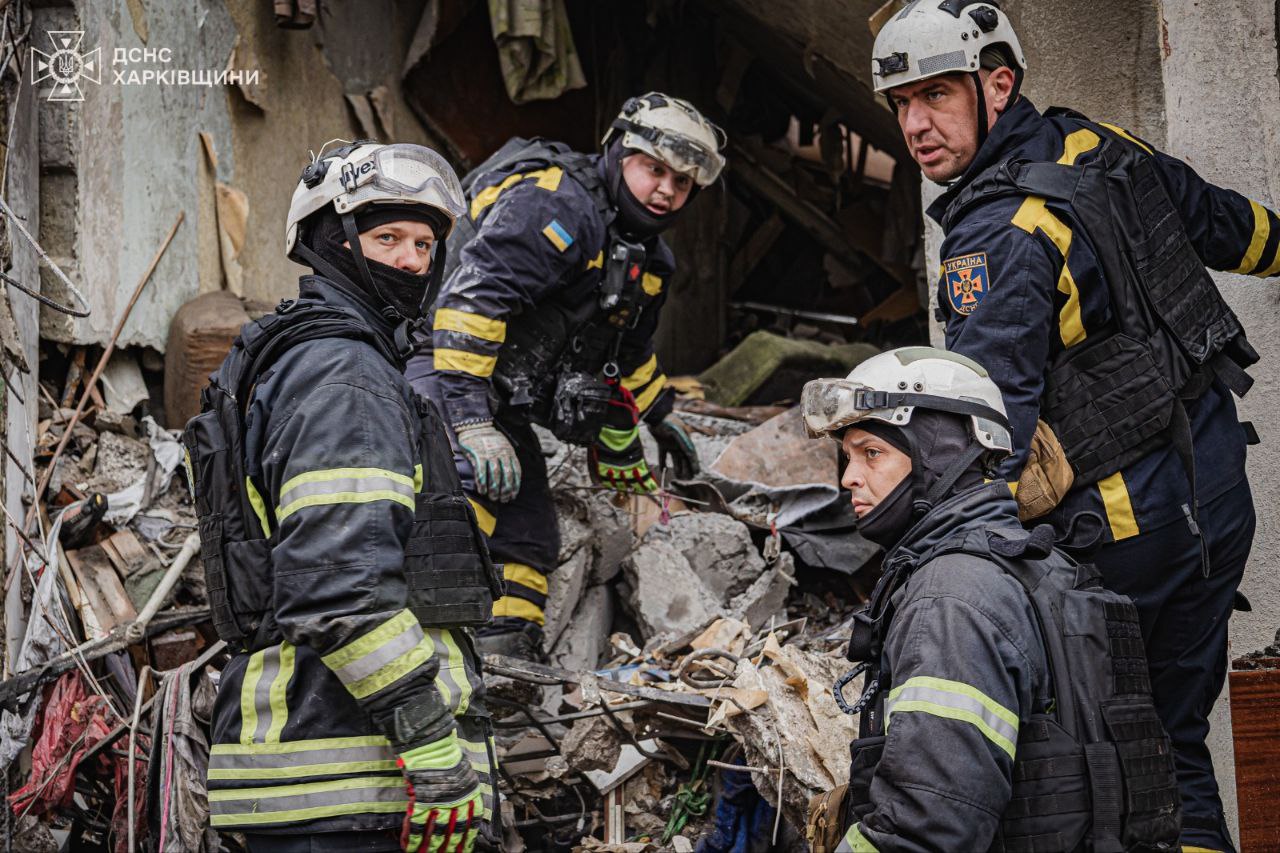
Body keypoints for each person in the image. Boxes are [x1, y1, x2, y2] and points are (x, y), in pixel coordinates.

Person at [870, 2, 1276, 848]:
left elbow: (986, 426)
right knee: (1176, 738)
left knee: (1126, 767)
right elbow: (1238, 232)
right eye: (900, 103)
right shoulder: (1102, 147)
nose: (914, 124)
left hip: (1131, 533)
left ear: (997, 84)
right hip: (1217, 502)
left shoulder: (999, 236)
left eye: (936, 96)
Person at [183, 141, 503, 852]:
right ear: (335, 242)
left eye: (425, 243)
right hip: (355, 791)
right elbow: (340, 589)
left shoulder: (322, 359)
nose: (413, 261)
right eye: (387, 237)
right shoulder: (345, 377)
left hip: (328, 793)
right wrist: (430, 745)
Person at [801, 347, 1179, 852]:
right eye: (848, 456)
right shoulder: (1039, 567)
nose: (849, 477)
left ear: (938, 457)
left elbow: (928, 829)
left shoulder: (952, 599)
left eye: (873, 453)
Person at [406, 93, 724, 660]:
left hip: (500, 401)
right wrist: (473, 423)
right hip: (442, 373)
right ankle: (420, 649)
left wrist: (662, 414)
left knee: (530, 535)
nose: (666, 191)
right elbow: (470, 306)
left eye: (682, 183)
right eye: (655, 170)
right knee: (465, 492)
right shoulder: (557, 207)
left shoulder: (649, 260)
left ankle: (501, 667)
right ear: (618, 152)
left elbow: (628, 348)